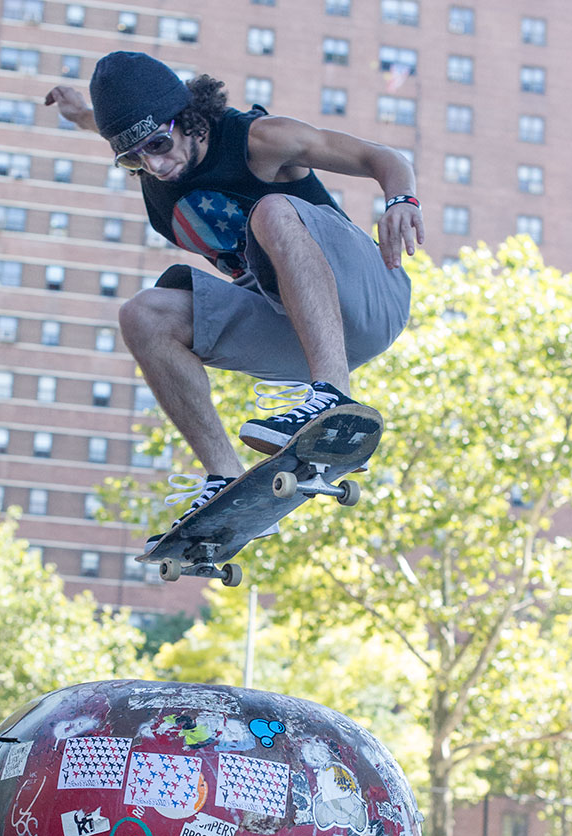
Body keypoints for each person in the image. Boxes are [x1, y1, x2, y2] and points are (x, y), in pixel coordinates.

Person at [45, 52, 423, 548]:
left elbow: (386, 158)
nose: (155, 166)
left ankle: (330, 397)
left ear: (192, 118)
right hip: (294, 325)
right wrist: (80, 114)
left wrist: (401, 201)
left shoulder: (259, 140)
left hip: (369, 296)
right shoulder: (149, 150)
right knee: (142, 315)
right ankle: (225, 480)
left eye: (160, 144)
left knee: (269, 213)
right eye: (135, 158)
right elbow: (119, 129)